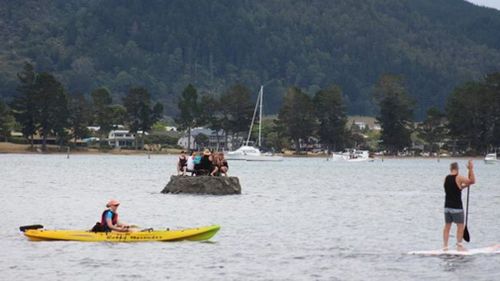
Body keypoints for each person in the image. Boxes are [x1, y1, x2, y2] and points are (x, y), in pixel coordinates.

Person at [443, 160, 475, 251]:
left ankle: (445, 246)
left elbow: (454, 189)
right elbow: (472, 181)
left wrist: (464, 186)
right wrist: (471, 169)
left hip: (447, 207)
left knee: (447, 226)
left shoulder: (446, 178)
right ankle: (459, 246)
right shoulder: (459, 177)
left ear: (450, 169)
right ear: (457, 169)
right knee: (460, 226)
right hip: (457, 207)